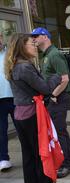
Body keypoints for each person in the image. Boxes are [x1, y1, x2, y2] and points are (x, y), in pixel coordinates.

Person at [5, 33, 66, 183]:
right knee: (41, 154)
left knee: (29, 156)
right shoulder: (24, 67)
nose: (35, 46)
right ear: (22, 47)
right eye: (31, 43)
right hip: (32, 114)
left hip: (21, 114)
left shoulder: (13, 66)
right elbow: (46, 88)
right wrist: (56, 76)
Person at [32, 27, 70, 178]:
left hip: (58, 98)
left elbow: (65, 79)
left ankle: (67, 163)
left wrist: (53, 94)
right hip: (55, 98)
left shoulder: (54, 55)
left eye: (36, 36)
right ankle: (69, 159)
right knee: (60, 130)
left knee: (59, 131)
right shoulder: (47, 55)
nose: (34, 39)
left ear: (45, 37)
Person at [0, 33, 16, 172]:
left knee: (23, 129)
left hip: (15, 97)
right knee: (1, 131)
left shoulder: (9, 54)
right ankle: (3, 159)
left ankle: (33, 155)